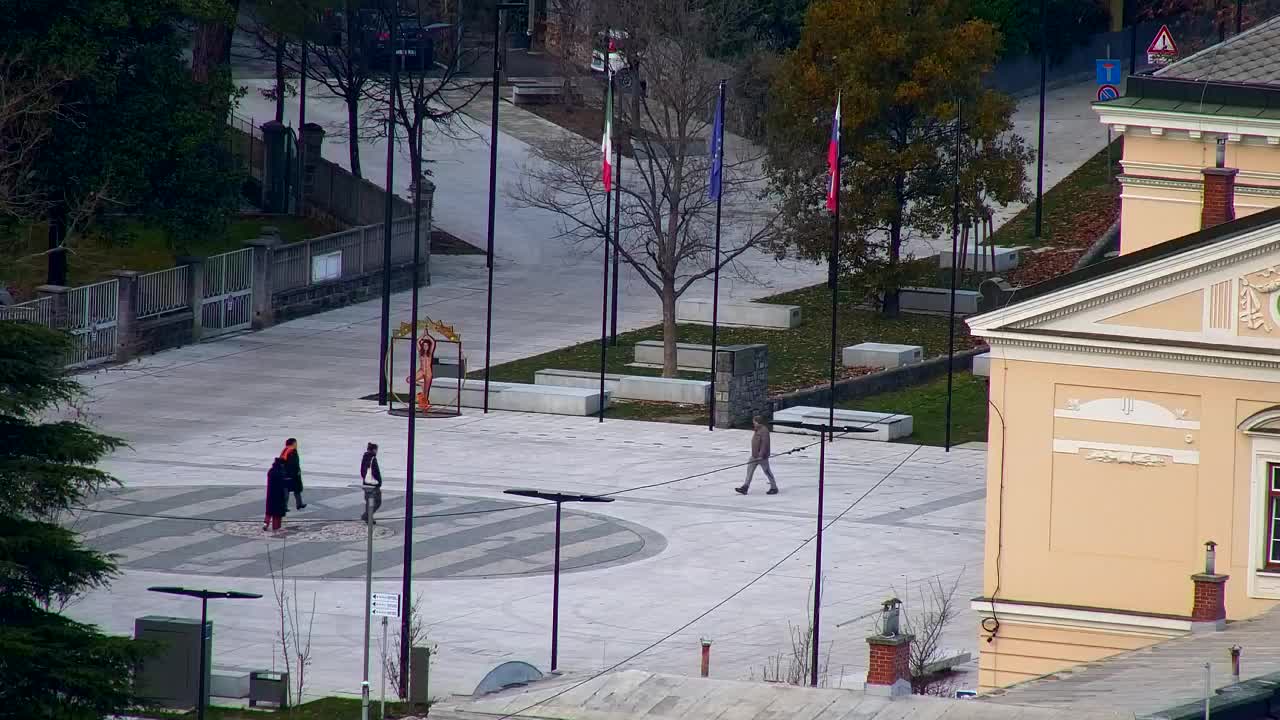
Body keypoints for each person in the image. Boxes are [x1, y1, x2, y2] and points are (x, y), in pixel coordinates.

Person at [736, 415, 778, 495]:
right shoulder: (757, 429)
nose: (753, 423)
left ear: (757, 422)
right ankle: (745, 487)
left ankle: (774, 487)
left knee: (767, 471)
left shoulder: (764, 430)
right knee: (749, 471)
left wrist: (761, 455)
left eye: (754, 421)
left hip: (762, 457)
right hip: (754, 455)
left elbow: (764, 444)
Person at [264, 457, 290, 532]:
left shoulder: (271, 471)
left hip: (270, 494)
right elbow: (283, 483)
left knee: (269, 512)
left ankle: (265, 525)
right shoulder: (280, 472)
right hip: (279, 495)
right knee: (277, 514)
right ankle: (276, 527)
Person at [360, 442, 382, 523]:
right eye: (376, 449)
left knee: (369, 502)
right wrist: (378, 482)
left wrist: (365, 480)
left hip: (366, 484)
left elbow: (362, 471)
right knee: (377, 502)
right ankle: (367, 516)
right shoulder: (372, 458)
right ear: (374, 450)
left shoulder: (365, 457)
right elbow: (375, 472)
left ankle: (368, 517)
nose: (377, 451)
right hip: (373, 485)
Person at [280, 438, 305, 510]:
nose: (297, 444)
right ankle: (284, 507)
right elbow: (287, 463)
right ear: (293, 443)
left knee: (296, 489)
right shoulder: (289, 451)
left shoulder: (289, 450)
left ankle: (299, 504)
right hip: (290, 474)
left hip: (292, 474)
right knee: (287, 490)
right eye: (296, 443)